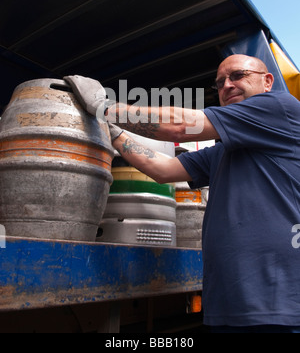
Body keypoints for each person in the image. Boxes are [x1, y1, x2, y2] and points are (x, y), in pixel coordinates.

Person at [65, 54, 300, 333]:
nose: (226, 86)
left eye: (237, 75)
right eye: (220, 82)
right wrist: (114, 132)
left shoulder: (280, 107)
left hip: (276, 301)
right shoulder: (225, 150)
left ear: (267, 81)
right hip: (228, 300)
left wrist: (104, 108)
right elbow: (163, 169)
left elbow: (180, 124)